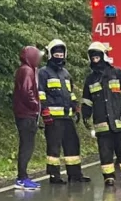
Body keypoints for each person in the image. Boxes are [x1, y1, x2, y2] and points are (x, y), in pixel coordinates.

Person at [81, 41, 121, 186]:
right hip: (102, 124)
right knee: (105, 152)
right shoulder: (91, 79)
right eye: (93, 57)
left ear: (103, 56)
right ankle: (109, 177)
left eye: (97, 56)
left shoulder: (117, 73)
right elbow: (87, 100)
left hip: (119, 120)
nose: (95, 59)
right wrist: (85, 115)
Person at [38, 39, 90, 184]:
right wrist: (45, 111)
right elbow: (40, 93)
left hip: (67, 117)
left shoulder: (65, 73)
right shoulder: (43, 73)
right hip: (53, 118)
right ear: (50, 54)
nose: (59, 56)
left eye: (61, 54)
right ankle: (54, 176)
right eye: (56, 54)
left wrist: (76, 106)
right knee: (54, 148)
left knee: (73, 144)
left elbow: (70, 92)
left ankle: (75, 175)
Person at [12, 45, 42, 191]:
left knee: (26, 145)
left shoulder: (26, 70)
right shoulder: (27, 70)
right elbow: (27, 91)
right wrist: (37, 106)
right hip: (26, 115)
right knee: (26, 146)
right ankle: (22, 178)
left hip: (24, 114)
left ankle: (23, 177)